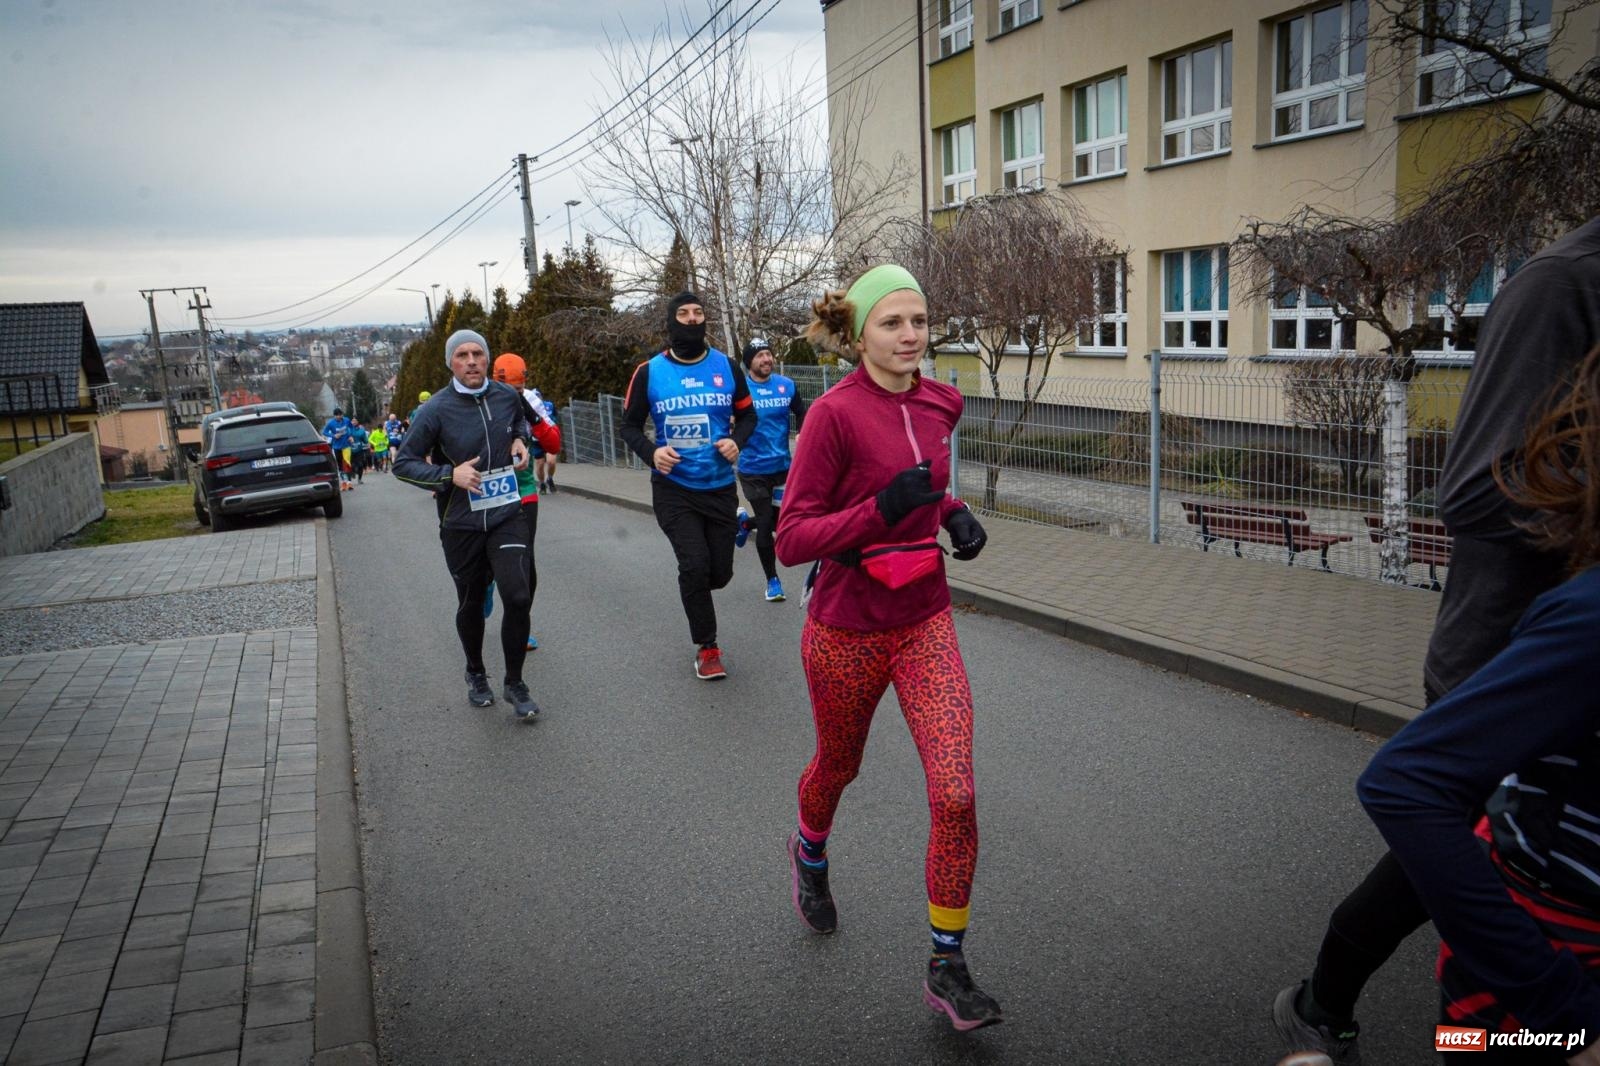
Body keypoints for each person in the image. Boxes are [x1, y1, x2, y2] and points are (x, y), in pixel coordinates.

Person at [1273, 217, 1600, 1064]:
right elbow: (1474, 492)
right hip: (1508, 661)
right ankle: (1325, 1007)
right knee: (1458, 854)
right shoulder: (1561, 286)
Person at [1356, 344, 1600, 1066]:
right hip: (1524, 1010)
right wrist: (1570, 1017)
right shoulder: (1587, 621)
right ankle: (1319, 1014)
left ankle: (1319, 1010)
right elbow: (1402, 783)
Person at [774, 265, 998, 1031]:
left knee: (957, 792)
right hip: (845, 630)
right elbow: (792, 537)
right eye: (892, 323)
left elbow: (927, 481)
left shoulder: (944, 402)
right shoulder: (834, 416)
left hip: (925, 620)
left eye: (920, 322)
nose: (910, 337)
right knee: (839, 767)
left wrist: (953, 511)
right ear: (860, 333)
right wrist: (879, 511)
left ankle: (948, 964)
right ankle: (809, 851)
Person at [393, 330, 540, 720]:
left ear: (487, 359)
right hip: (461, 522)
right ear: (450, 363)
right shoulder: (435, 410)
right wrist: (448, 475)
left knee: (518, 595)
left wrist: (520, 442)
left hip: (508, 513)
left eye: (478, 353)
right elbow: (403, 463)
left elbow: (522, 424)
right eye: (462, 355)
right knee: (472, 602)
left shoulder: (508, 396)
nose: (472, 360)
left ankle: (515, 683)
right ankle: (476, 672)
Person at [619, 292, 756, 680]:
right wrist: (652, 452)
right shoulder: (650, 372)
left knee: (720, 575)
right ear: (671, 321)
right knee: (694, 565)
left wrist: (737, 441)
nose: (692, 319)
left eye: (698, 313)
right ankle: (707, 647)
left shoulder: (727, 367)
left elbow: (748, 418)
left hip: (718, 486)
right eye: (684, 313)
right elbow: (628, 426)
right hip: (674, 487)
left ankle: (735, 528)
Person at [486, 352, 562, 652]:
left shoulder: (531, 399)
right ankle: (486, 583)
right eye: (508, 389)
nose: (512, 395)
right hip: (487, 490)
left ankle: (520, 623)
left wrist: (529, 412)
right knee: (486, 558)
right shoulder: (481, 399)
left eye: (517, 389)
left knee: (524, 558)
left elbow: (554, 442)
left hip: (523, 488)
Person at [735, 337, 807, 603]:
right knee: (766, 525)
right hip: (753, 469)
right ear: (749, 363)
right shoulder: (741, 390)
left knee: (781, 522)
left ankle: (743, 523)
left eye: (768, 354)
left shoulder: (785, 385)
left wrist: (802, 431)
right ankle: (772, 582)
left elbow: (801, 411)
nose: (766, 359)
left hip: (782, 468)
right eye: (759, 356)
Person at [321, 407, 355, 490]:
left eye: (341, 415)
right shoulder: (331, 423)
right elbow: (324, 432)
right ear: (335, 416)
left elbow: (351, 427)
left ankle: (349, 483)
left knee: (347, 463)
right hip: (337, 447)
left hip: (346, 446)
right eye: (338, 415)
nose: (340, 417)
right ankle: (343, 483)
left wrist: (351, 436)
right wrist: (333, 436)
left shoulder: (346, 420)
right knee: (340, 465)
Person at [535, 396, 559, 494]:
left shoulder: (549, 405)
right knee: (540, 464)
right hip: (536, 440)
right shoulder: (527, 407)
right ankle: (542, 483)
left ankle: (550, 479)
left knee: (551, 462)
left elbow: (555, 417)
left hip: (549, 437)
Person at [350, 419, 370, 483]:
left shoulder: (361, 431)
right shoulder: (348, 430)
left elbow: (365, 440)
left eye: (355, 421)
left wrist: (366, 441)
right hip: (350, 450)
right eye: (352, 421)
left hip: (359, 450)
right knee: (351, 464)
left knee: (360, 465)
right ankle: (352, 472)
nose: (354, 422)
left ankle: (359, 479)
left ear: (357, 422)